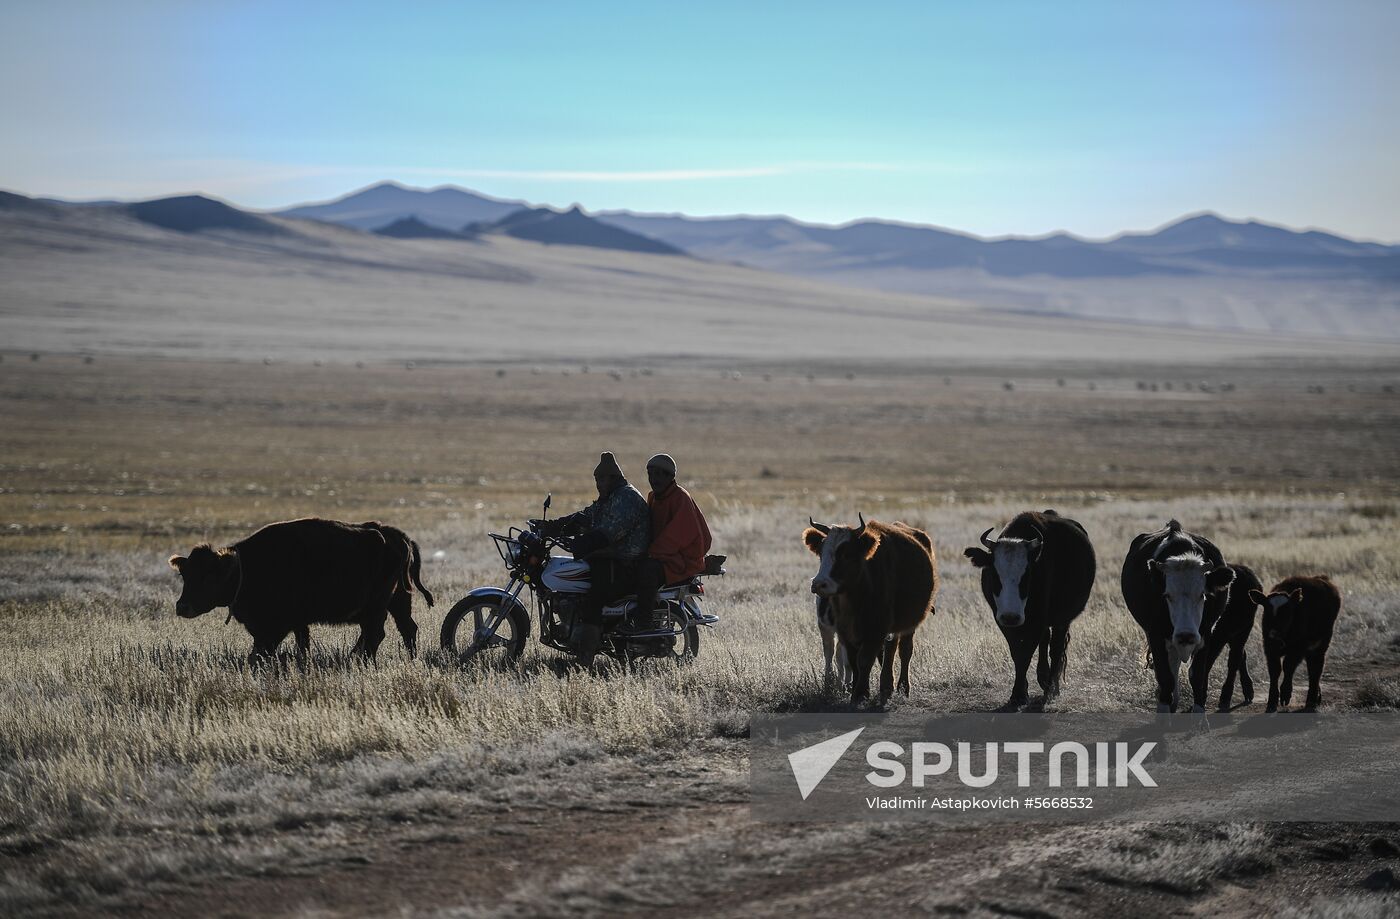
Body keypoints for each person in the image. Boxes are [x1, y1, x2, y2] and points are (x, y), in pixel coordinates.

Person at [531, 452, 649, 665]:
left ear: (613, 478)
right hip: (607, 560)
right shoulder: (609, 498)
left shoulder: (626, 498)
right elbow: (584, 518)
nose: (597, 484)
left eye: (601, 479)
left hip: (625, 564)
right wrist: (551, 527)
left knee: (593, 600)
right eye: (596, 480)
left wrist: (581, 544)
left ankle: (584, 659)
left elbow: (609, 533)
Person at [633, 453, 713, 626]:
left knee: (646, 572)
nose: (654, 479)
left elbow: (677, 536)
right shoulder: (654, 497)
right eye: (651, 474)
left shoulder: (680, 498)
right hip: (664, 557)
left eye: (659, 475)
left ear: (670, 477)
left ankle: (645, 625)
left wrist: (651, 553)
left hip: (682, 561)